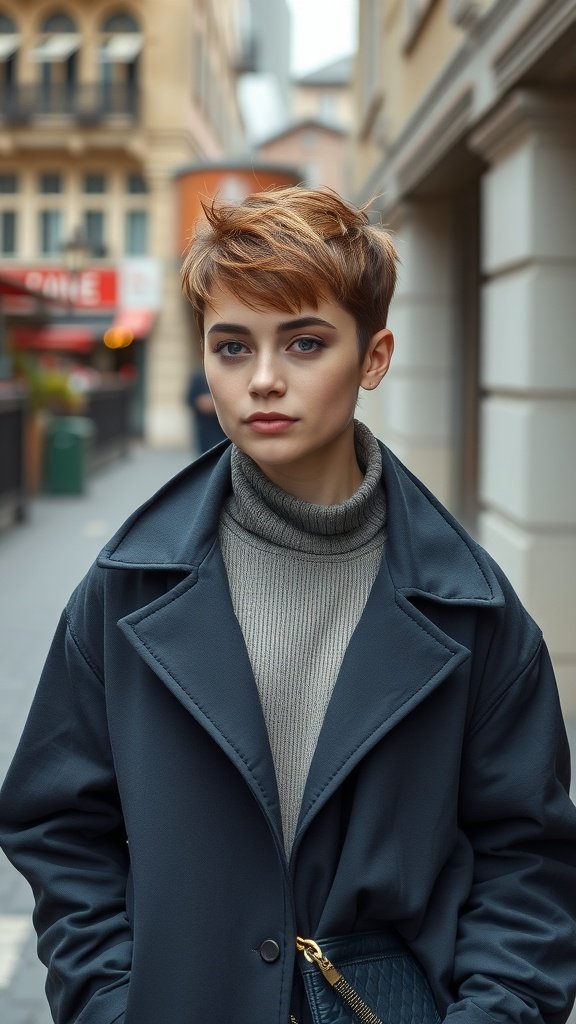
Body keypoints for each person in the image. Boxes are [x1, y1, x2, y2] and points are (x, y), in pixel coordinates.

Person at [1, 186, 575, 1024]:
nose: (263, 379)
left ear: (373, 358)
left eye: (305, 343)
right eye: (232, 347)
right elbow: (57, 826)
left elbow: (528, 864)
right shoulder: (124, 589)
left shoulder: (475, 611)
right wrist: (112, 1006)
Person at [185, 363, 227, 453]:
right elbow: (189, 399)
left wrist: (215, 403)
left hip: (221, 430)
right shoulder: (197, 377)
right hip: (204, 428)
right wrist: (200, 403)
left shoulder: (224, 376)